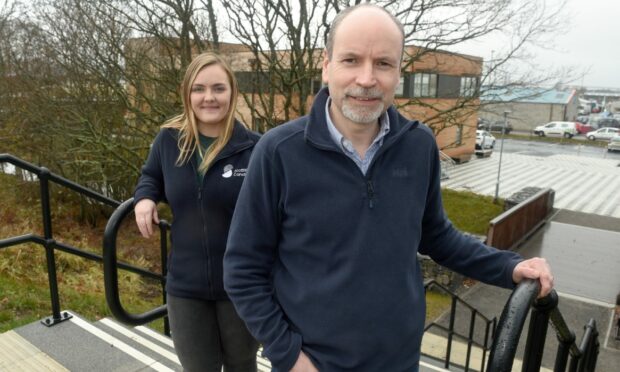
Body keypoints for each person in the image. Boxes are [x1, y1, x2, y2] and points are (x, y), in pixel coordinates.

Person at [224, 4, 553, 372]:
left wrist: (510, 267)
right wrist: (288, 356)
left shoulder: (419, 145)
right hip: (314, 364)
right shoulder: (278, 152)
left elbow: (436, 236)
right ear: (326, 64)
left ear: (399, 71)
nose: (367, 78)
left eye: (383, 63)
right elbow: (242, 269)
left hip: (399, 362)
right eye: (351, 60)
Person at [133, 52, 259, 372]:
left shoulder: (257, 149)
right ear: (187, 94)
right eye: (199, 89)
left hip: (241, 285)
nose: (209, 97)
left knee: (242, 365)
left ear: (232, 93)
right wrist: (144, 198)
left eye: (218, 88)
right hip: (185, 286)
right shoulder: (169, 140)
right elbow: (151, 175)